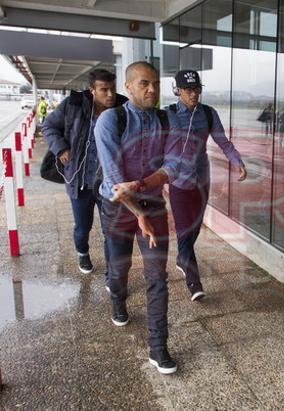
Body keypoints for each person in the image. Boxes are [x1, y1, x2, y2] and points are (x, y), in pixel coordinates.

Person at [95, 61, 180, 374]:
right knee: (120, 267)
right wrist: (138, 213)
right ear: (128, 87)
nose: (152, 90)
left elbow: (172, 167)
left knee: (157, 276)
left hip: (153, 204)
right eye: (144, 83)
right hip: (118, 208)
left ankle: (158, 347)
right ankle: (117, 298)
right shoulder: (110, 120)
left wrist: (144, 185)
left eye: (155, 84)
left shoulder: (166, 119)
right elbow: (116, 183)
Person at [165, 69, 247, 301]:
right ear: (178, 90)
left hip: (202, 179)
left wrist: (237, 161)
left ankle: (182, 257)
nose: (193, 94)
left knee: (195, 227)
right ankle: (194, 281)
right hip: (178, 181)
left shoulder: (208, 114)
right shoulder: (168, 115)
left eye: (197, 89)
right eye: (188, 90)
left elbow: (223, 141)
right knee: (184, 229)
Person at [42, 69, 127, 277]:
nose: (110, 95)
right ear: (92, 90)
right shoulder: (74, 105)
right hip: (80, 182)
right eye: (103, 90)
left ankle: (111, 273)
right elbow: (48, 126)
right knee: (83, 228)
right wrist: (61, 148)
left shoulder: (123, 108)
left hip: (108, 184)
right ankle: (82, 252)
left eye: (112, 89)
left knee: (111, 231)